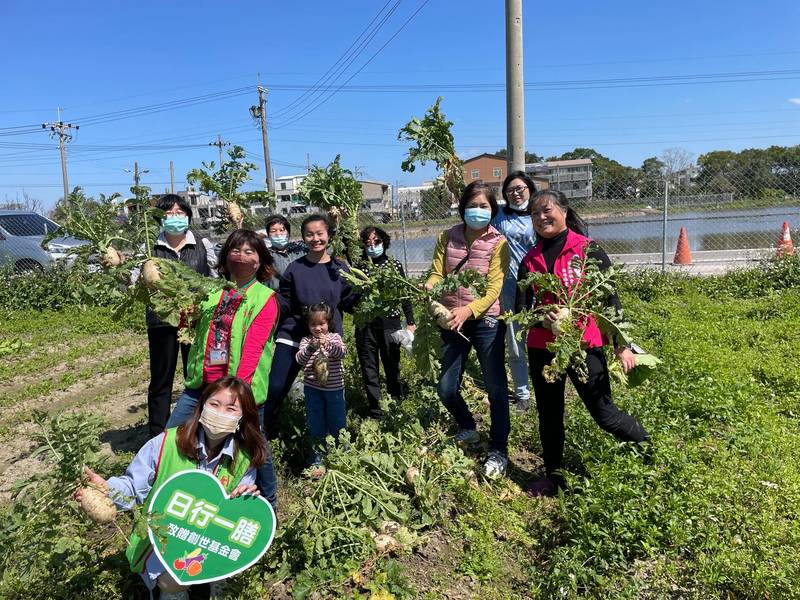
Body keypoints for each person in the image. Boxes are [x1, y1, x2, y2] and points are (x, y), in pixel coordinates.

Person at [75, 377, 268, 599]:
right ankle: (170, 591)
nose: (220, 413)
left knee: (225, 563)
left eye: (231, 408)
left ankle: (214, 583)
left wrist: (245, 500)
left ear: (242, 418)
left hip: (208, 538)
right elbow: (132, 486)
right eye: (214, 404)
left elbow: (238, 516)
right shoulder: (166, 444)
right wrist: (107, 489)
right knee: (175, 580)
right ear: (202, 406)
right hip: (162, 539)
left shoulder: (243, 459)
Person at [516, 189, 649, 497]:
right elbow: (521, 312)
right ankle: (554, 478)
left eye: (546, 210)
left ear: (563, 211)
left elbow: (610, 300)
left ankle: (647, 450)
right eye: (535, 214)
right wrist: (544, 320)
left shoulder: (588, 250)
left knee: (604, 413)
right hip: (543, 348)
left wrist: (621, 344)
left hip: (584, 344)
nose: (541, 218)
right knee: (549, 416)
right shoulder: (530, 260)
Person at [164, 229, 279, 505]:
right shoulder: (211, 291)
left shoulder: (266, 298)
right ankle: (170, 491)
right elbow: (187, 327)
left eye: (249, 252)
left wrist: (237, 393)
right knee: (173, 436)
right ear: (225, 257)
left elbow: (253, 348)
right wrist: (173, 300)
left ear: (260, 261)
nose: (241, 256)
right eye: (235, 250)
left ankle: (270, 502)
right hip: (201, 385)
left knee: (254, 445)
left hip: (241, 389)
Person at [426, 180, 511, 479]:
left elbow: (494, 287)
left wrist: (469, 309)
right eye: (472, 206)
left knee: (496, 387)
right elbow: (438, 273)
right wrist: (430, 288)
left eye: (483, 206)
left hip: (486, 321)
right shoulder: (447, 236)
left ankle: (499, 449)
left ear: (492, 209)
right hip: (452, 320)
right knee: (446, 388)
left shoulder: (499, 243)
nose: (477, 211)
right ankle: (468, 426)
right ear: (462, 209)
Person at [262, 214, 358, 440]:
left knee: (326, 391)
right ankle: (265, 435)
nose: (315, 238)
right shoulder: (296, 268)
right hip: (294, 335)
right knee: (276, 388)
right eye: (309, 234)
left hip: (325, 340)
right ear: (303, 238)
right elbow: (283, 302)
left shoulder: (339, 268)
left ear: (328, 235)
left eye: (320, 233)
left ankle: (331, 440)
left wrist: (369, 295)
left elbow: (349, 301)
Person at [146, 194, 217, 439]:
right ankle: (158, 437)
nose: (175, 218)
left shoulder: (202, 243)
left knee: (196, 374)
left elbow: (215, 277)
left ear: (188, 215)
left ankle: (196, 429)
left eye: (180, 213)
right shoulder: (149, 245)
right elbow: (135, 282)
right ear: (160, 218)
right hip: (162, 321)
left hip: (195, 319)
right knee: (161, 380)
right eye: (169, 214)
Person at [355, 226, 415, 419]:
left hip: (390, 323)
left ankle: (396, 404)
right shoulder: (359, 268)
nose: (372, 246)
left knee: (392, 365)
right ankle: (376, 411)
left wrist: (410, 321)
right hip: (366, 325)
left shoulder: (394, 266)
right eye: (368, 243)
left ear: (384, 242)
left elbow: (405, 295)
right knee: (369, 368)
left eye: (376, 241)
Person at [492, 172, 537, 412]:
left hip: (538, 284)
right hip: (508, 288)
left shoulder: (540, 212)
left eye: (520, 188)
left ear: (530, 188)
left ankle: (547, 384)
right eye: (510, 190)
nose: (516, 193)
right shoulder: (498, 216)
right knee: (515, 338)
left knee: (544, 337)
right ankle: (523, 393)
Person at [295, 302, 348, 476]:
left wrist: (329, 346)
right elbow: (299, 360)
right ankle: (317, 461)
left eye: (321, 324)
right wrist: (311, 347)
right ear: (308, 326)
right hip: (313, 389)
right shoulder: (306, 341)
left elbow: (342, 353)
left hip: (334, 390)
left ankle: (342, 457)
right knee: (315, 423)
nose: (318, 328)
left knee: (338, 422)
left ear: (329, 323)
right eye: (313, 325)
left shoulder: (334, 338)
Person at [262, 214, 306, 290]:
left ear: (288, 233)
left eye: (282, 230)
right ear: (268, 235)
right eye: (273, 231)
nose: (278, 234)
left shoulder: (300, 249)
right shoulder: (265, 255)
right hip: (278, 295)